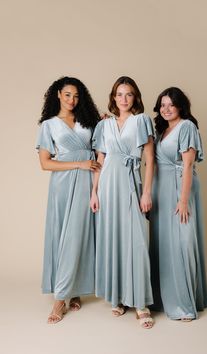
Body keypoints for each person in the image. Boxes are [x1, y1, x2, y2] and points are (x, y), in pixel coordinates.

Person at [90, 76, 154, 329]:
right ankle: (118, 296)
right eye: (119, 94)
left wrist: (146, 192)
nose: (123, 99)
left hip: (130, 184)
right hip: (107, 186)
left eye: (128, 94)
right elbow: (100, 160)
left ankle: (140, 303)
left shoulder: (142, 121)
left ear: (135, 97)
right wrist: (94, 192)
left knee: (136, 242)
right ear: (113, 97)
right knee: (113, 239)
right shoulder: (104, 125)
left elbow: (150, 159)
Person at [36, 76, 101, 324]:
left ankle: (72, 291)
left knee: (81, 236)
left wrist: (105, 123)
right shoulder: (49, 125)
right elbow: (45, 163)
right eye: (67, 95)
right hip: (63, 185)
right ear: (57, 95)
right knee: (64, 236)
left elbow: (99, 149)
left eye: (76, 96)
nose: (72, 100)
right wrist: (79, 163)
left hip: (88, 184)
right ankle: (61, 298)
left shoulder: (89, 121)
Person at [149, 87, 207, 321]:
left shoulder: (187, 127)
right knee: (162, 243)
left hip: (180, 187)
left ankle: (184, 304)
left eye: (170, 105)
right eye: (162, 105)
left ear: (180, 106)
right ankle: (162, 298)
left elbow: (187, 166)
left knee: (182, 243)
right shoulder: (161, 130)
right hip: (159, 188)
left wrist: (183, 201)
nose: (166, 109)